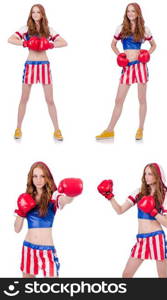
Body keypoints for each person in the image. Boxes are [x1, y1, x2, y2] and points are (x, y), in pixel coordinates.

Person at [97, 163, 167, 277]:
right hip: (141, 239)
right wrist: (110, 197)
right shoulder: (139, 193)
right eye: (145, 174)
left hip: (157, 238)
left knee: (163, 277)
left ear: (157, 176)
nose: (146, 176)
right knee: (126, 275)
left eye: (150, 174)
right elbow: (120, 210)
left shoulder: (165, 197)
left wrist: (153, 211)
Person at [96, 2, 156, 141]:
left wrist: (147, 53)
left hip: (140, 66)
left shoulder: (144, 29)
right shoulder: (121, 28)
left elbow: (154, 45)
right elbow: (112, 44)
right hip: (127, 67)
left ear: (138, 13)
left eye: (133, 11)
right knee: (118, 99)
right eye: (128, 11)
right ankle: (110, 130)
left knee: (141, 99)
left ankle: (140, 129)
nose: (130, 13)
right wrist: (119, 55)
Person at [8, 4, 68, 141]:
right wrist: (25, 43)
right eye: (33, 12)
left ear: (42, 14)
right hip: (30, 65)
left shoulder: (48, 30)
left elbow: (64, 42)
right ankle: (18, 128)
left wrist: (50, 45)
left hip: (44, 65)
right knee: (24, 98)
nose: (35, 14)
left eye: (38, 12)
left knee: (50, 100)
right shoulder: (26, 29)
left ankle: (57, 130)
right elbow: (10, 39)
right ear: (31, 14)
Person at [14, 161, 83, 277]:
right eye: (35, 176)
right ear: (31, 178)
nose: (38, 180)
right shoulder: (26, 197)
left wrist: (71, 194)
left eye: (42, 176)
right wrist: (21, 211)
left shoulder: (53, 195)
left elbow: (64, 200)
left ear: (47, 177)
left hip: (47, 249)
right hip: (28, 247)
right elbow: (17, 229)